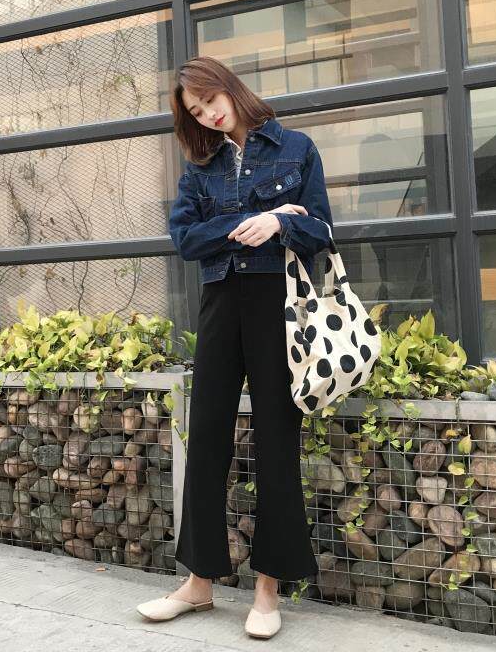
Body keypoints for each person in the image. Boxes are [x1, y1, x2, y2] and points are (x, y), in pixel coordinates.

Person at [136, 57, 333, 639]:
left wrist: (281, 226)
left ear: (229, 88)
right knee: (206, 440)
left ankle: (268, 590)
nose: (208, 116)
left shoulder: (295, 149)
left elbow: (322, 229)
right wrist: (254, 219)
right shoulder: (201, 168)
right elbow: (184, 237)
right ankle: (198, 584)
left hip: (277, 306)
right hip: (221, 304)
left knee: (276, 442)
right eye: (196, 112)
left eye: (210, 101)